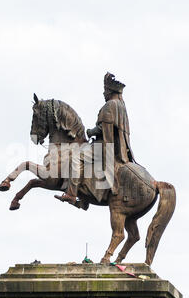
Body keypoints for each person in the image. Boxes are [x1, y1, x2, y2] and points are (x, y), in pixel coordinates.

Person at [55, 72, 135, 205]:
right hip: (119, 147)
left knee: (76, 158)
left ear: (110, 91)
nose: (104, 94)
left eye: (105, 91)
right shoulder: (121, 106)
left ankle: (71, 193)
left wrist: (90, 131)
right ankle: (85, 198)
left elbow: (103, 128)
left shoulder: (110, 105)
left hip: (104, 146)